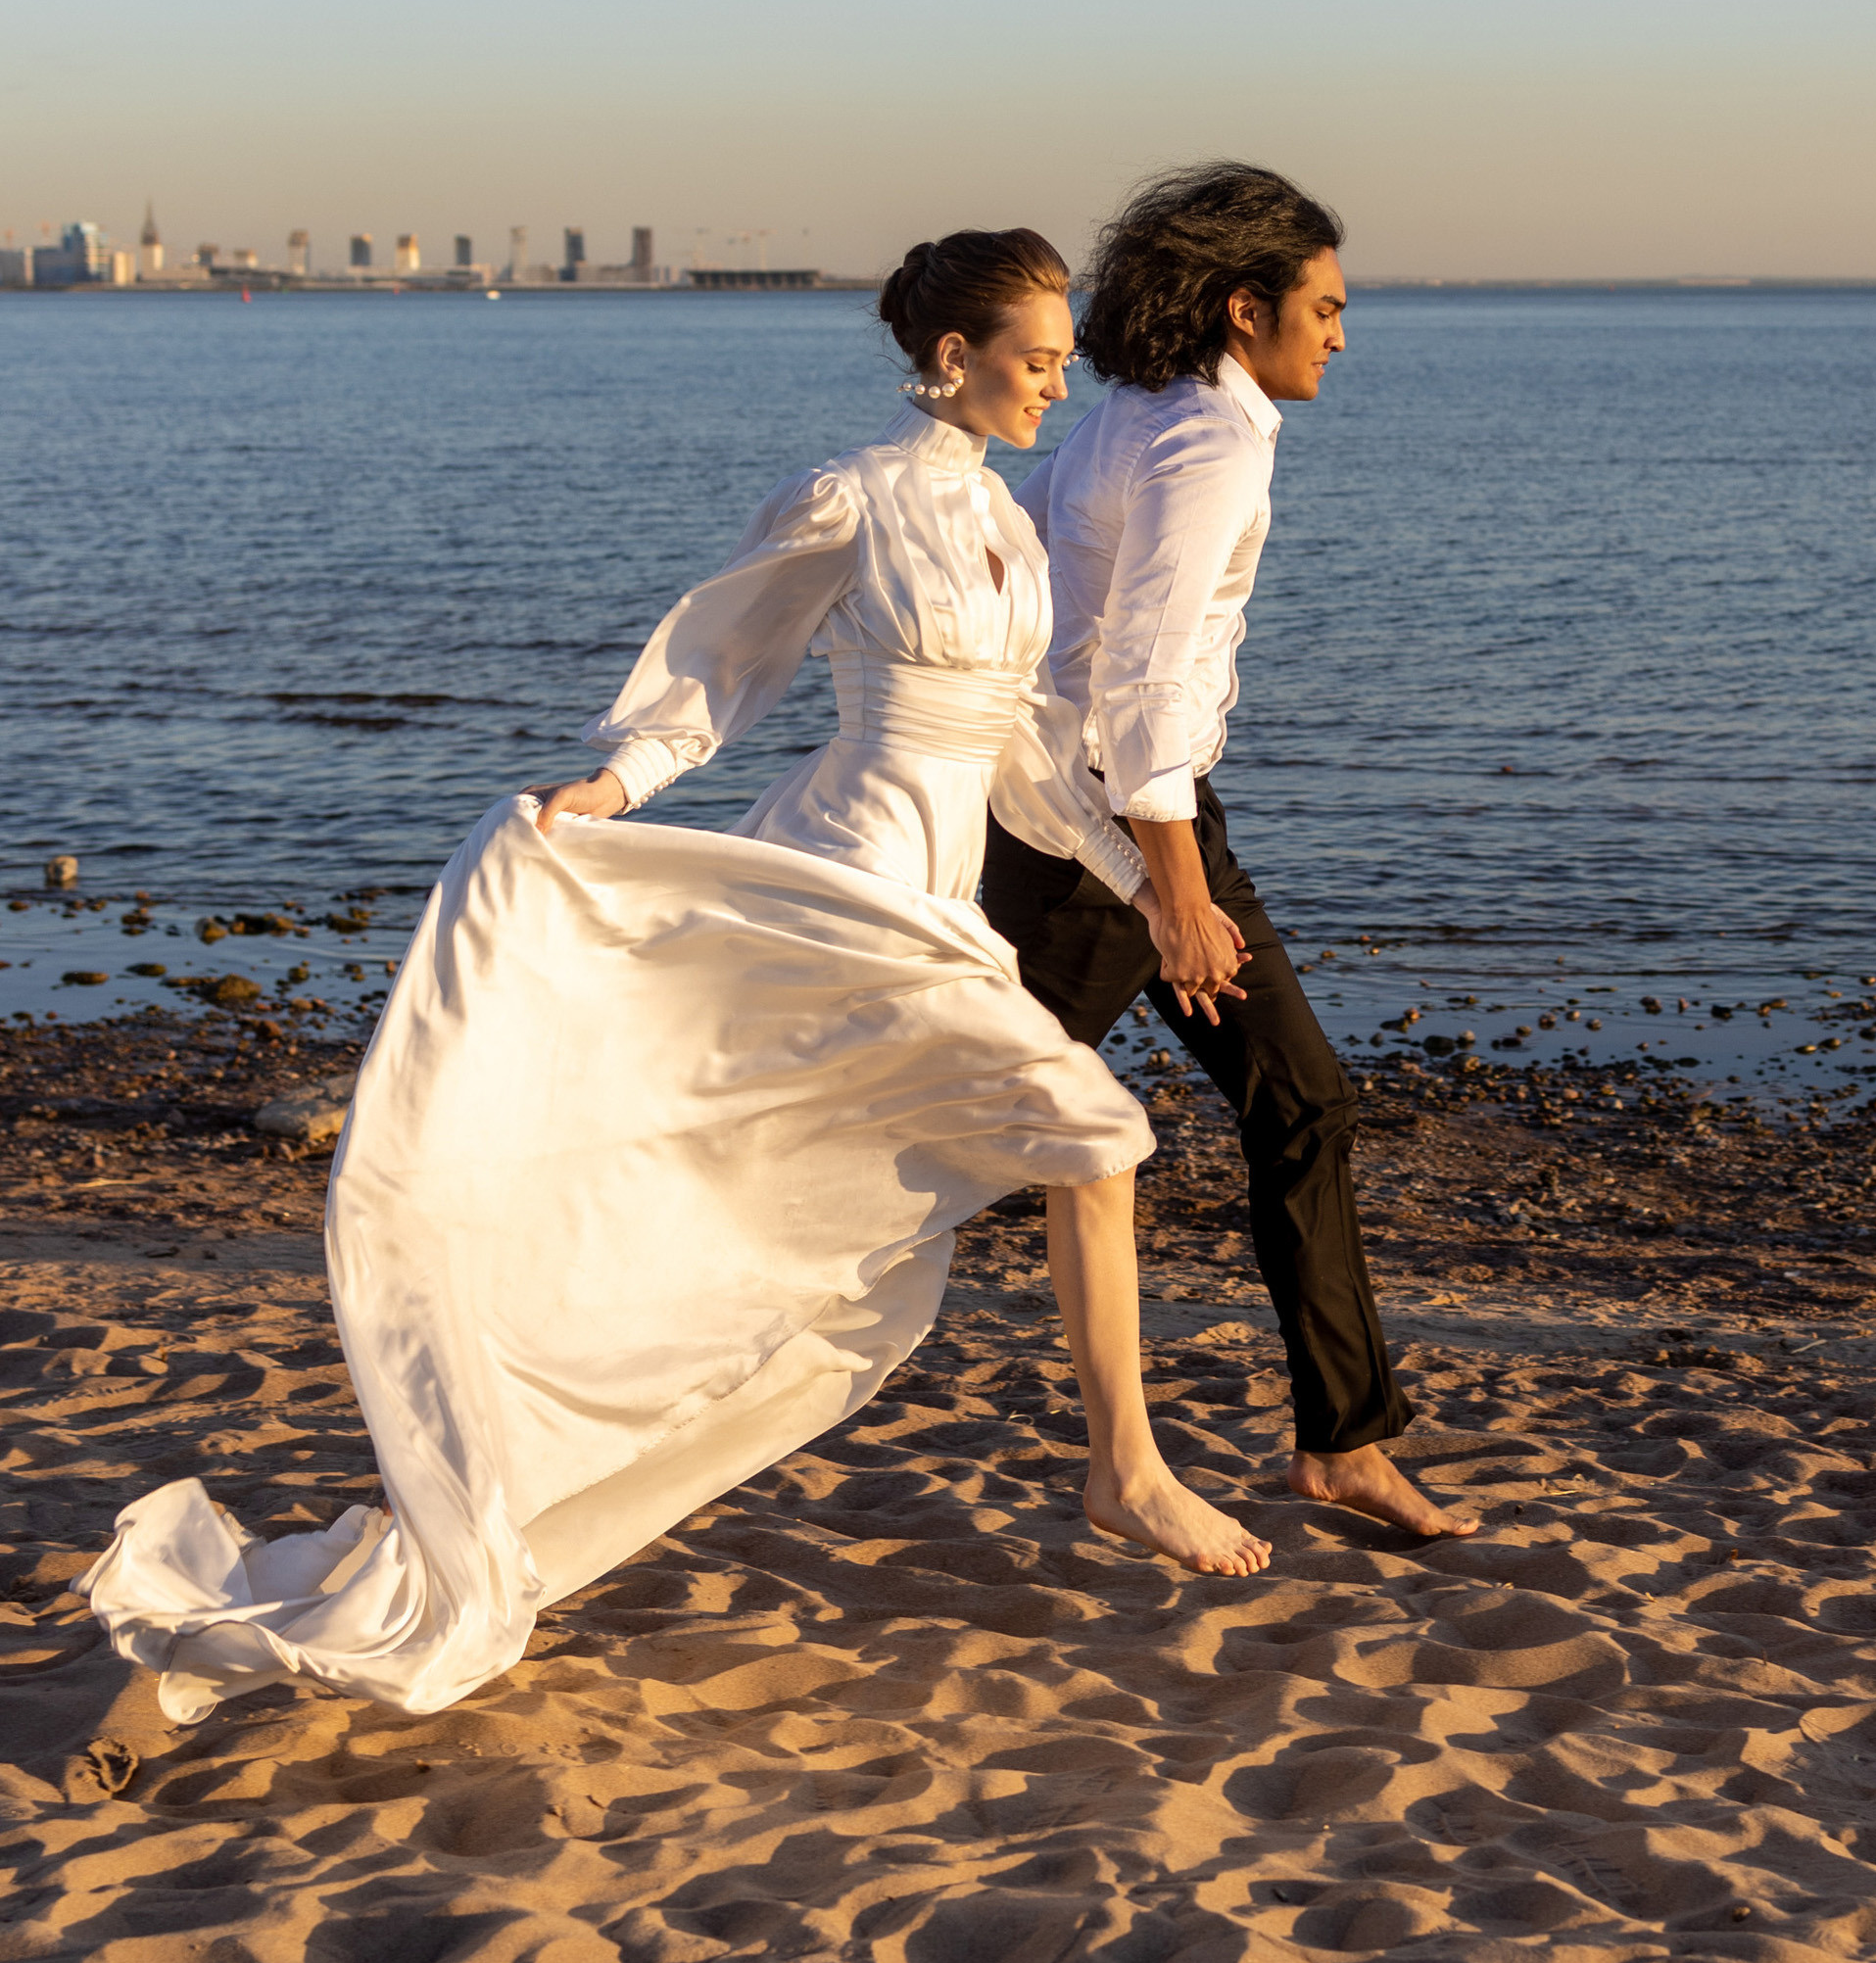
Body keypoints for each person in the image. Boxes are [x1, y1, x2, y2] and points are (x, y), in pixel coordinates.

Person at [86, 228, 1267, 1731]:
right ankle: (1126, 1470)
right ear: (952, 357)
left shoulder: (1012, 528)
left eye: (1060, 356)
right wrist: (622, 779)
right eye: (1035, 356)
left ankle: (1098, 1461)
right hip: (842, 883)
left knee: (846, 1218)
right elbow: (728, 655)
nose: (1058, 378)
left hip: (938, 901)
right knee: (1097, 1138)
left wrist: (1152, 887)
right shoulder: (858, 494)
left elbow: (1023, 752)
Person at [982, 163, 1475, 1542]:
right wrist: (1173, 892)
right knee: (940, 1141)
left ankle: (1342, 1439)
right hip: (1110, 837)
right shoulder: (1207, 437)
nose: (1338, 332)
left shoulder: (1136, 413)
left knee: (1299, 1100)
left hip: (1110, 815)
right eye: (1320, 306)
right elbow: (1139, 681)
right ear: (1243, 306)